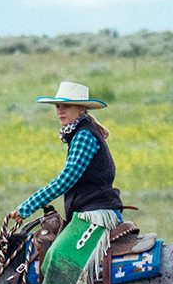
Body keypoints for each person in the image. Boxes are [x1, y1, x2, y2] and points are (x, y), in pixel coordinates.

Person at [9, 81, 123, 232]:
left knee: (56, 254)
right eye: (58, 106)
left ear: (81, 109)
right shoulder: (81, 133)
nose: (60, 111)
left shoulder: (84, 136)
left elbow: (65, 181)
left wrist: (27, 207)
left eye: (66, 106)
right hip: (90, 210)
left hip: (95, 213)